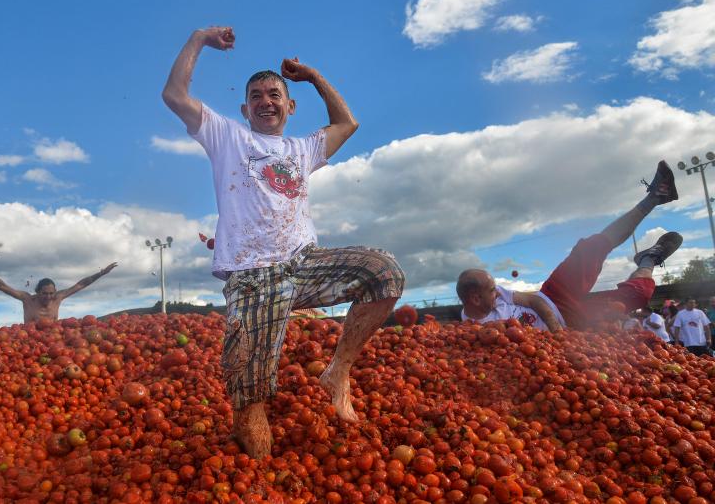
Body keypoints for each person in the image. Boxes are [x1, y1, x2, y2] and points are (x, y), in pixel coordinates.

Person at [162, 26, 405, 458]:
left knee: (384, 273)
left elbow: (347, 123)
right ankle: (252, 440)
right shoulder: (228, 136)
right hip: (253, 276)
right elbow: (175, 95)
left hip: (304, 263)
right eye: (256, 96)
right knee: (253, 421)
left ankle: (338, 371)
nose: (265, 101)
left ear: (290, 106)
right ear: (244, 107)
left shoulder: (302, 149)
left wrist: (312, 77)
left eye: (274, 95)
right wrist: (199, 38)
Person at [457, 161, 681, 331]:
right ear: (475, 299)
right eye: (490, 291)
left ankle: (656, 196)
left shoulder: (494, 293)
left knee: (589, 248)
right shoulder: (474, 330)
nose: (496, 292)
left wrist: (556, 332)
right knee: (632, 298)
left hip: (553, 294)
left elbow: (533, 300)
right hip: (574, 320)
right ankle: (649, 258)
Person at [0, 262, 117, 324]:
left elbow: (81, 284)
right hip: (31, 341)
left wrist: (101, 274)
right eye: (45, 293)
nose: (48, 297)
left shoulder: (58, 298)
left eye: (51, 293)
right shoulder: (27, 299)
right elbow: (3, 286)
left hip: (53, 341)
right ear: (37, 292)